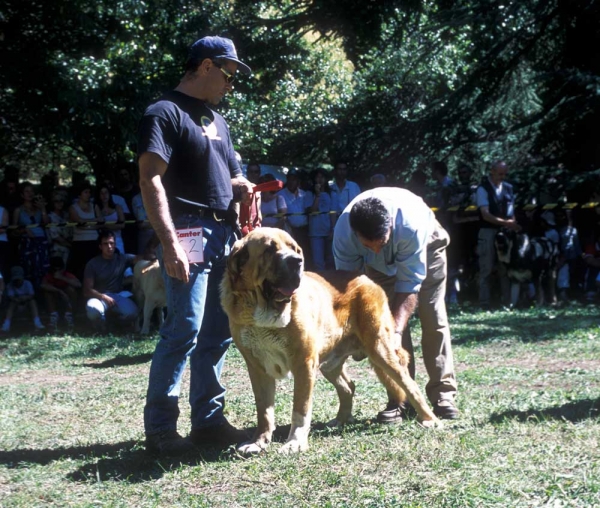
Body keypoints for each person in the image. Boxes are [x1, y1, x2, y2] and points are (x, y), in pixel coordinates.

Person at [138, 35, 254, 455]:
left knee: (218, 331)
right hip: (186, 231)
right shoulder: (163, 113)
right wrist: (169, 245)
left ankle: (209, 423)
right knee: (183, 328)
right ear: (206, 66)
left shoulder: (216, 120)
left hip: (226, 235)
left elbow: (229, 173)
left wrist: (240, 186)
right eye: (228, 74)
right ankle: (161, 430)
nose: (231, 84)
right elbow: (150, 178)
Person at [333, 188, 459, 421]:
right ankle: (399, 399)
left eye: (381, 242)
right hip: (378, 269)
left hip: (428, 249)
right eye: (368, 246)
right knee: (383, 325)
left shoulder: (410, 226)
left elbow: (409, 286)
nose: (377, 250)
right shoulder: (344, 234)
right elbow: (348, 284)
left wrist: (396, 332)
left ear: (390, 225)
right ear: (356, 234)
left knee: (432, 317)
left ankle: (443, 394)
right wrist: (355, 330)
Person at [476, 161, 521, 310]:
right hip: (488, 232)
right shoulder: (482, 189)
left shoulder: (508, 188)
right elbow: (485, 215)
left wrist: (512, 224)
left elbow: (511, 211)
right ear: (492, 171)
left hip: (505, 233)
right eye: (500, 173)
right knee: (486, 268)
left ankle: (507, 303)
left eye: (505, 174)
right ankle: (484, 304)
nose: (502, 177)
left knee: (504, 269)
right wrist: (507, 223)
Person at [83, 229, 138, 331]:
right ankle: (99, 325)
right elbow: (87, 290)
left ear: (115, 244)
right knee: (93, 310)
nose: (109, 246)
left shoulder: (122, 258)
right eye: (105, 244)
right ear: (100, 246)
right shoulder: (92, 263)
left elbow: (142, 258)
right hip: (100, 297)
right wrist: (103, 296)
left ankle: (113, 323)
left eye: (111, 243)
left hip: (117, 296)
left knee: (132, 313)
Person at [12, 181, 50, 289]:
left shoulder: (38, 208)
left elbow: (47, 224)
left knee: (43, 270)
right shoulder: (18, 210)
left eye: (31, 191)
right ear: (22, 194)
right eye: (26, 191)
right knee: (29, 269)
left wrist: (43, 209)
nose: (30, 193)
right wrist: (24, 230)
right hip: (27, 243)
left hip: (41, 242)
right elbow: (13, 231)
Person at [69, 181, 102, 281]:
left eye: (89, 192)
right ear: (79, 194)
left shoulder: (94, 206)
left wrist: (86, 224)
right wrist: (93, 222)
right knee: (81, 269)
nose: (88, 195)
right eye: (85, 192)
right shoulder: (73, 207)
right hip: (79, 242)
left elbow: (101, 221)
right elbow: (79, 223)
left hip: (94, 241)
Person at [307, 168, 338, 271]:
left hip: (328, 231)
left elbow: (333, 213)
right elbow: (312, 210)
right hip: (315, 233)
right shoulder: (309, 193)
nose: (320, 179)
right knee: (318, 262)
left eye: (322, 177)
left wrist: (333, 229)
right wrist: (317, 195)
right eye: (317, 177)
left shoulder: (332, 193)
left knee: (331, 261)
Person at [278, 169, 311, 264]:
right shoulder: (281, 194)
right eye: (290, 179)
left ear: (298, 181)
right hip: (290, 230)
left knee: (305, 253)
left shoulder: (304, 194)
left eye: (294, 179)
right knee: (292, 254)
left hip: (304, 230)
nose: (292, 182)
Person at [40, 256, 81, 333]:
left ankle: (69, 317)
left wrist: (62, 277)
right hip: (55, 297)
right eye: (55, 269)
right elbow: (43, 285)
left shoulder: (67, 275)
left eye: (59, 269)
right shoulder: (49, 275)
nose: (57, 271)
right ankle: (53, 318)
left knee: (71, 290)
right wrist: (59, 291)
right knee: (47, 293)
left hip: (68, 300)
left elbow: (78, 284)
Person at [1, 266, 45, 333]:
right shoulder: (10, 285)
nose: (17, 282)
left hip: (27, 303)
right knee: (12, 304)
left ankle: (37, 322)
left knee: (32, 302)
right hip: (16, 304)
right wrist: (17, 300)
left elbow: (31, 295)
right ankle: (6, 324)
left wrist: (25, 298)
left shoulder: (28, 283)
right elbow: (11, 297)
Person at [94, 184, 126, 253]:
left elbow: (122, 225)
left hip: (117, 240)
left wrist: (104, 225)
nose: (104, 195)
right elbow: (97, 225)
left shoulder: (117, 207)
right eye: (101, 193)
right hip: (103, 241)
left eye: (106, 192)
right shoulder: (96, 208)